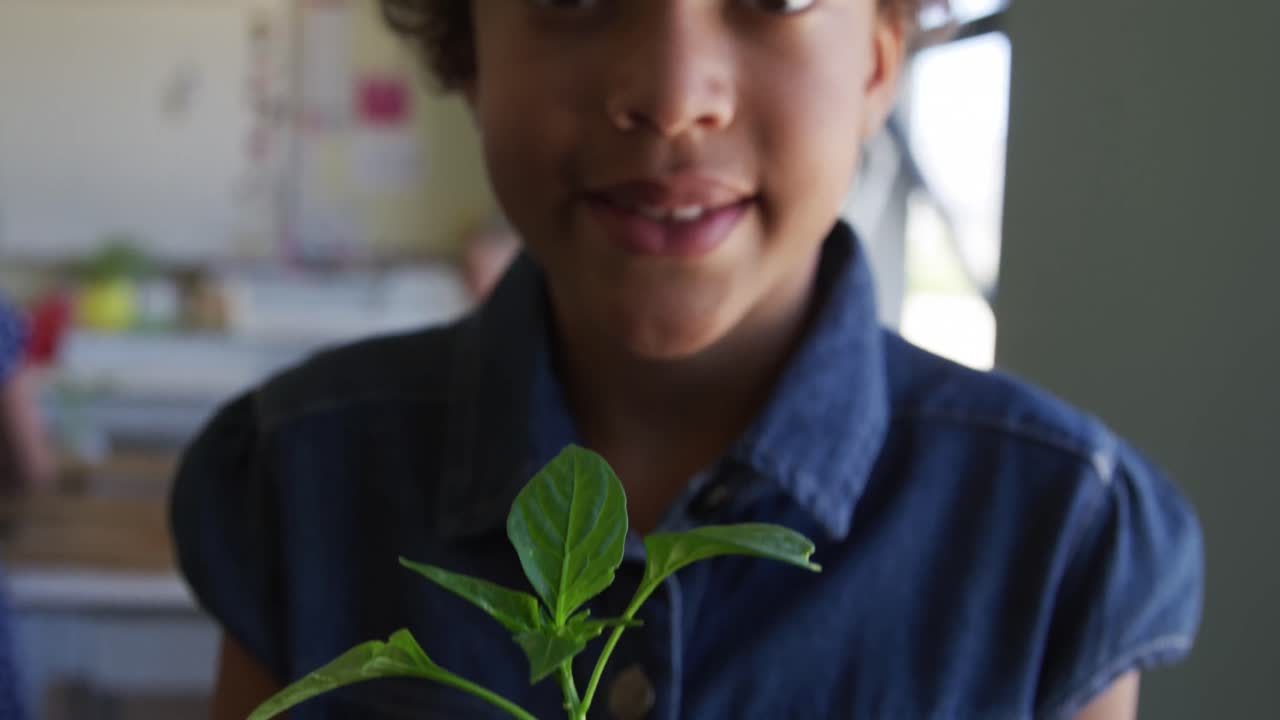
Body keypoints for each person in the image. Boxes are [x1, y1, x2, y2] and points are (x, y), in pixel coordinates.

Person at [172, 2, 1204, 719]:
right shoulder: (297, 479)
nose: (672, 97)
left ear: (879, 58)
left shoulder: (1057, 535)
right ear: (467, 51)